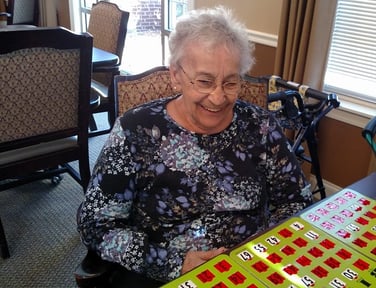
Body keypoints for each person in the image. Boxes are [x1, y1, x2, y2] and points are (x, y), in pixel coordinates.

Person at [77, 6, 313, 287]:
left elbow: (295, 200)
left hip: (250, 266)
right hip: (163, 272)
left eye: (230, 82)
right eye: (204, 81)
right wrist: (170, 261)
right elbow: (96, 223)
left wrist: (258, 249)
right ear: (176, 75)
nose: (217, 98)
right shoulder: (134, 130)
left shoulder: (261, 127)